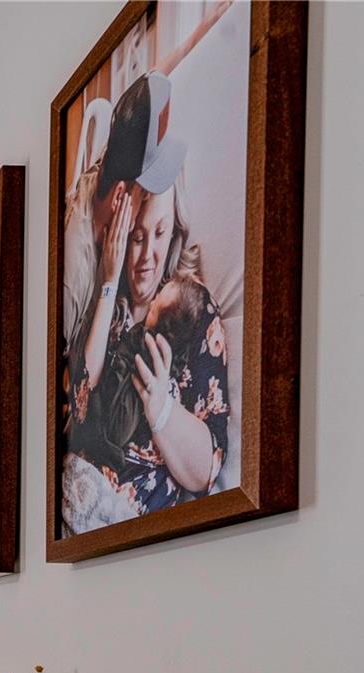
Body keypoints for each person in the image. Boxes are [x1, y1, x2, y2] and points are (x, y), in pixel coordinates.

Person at [62, 74, 229, 533]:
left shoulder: (188, 311)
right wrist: (108, 283)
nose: (147, 255)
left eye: (158, 234)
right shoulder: (105, 313)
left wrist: (161, 408)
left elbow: (207, 468)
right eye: (134, 238)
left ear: (175, 227)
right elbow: (77, 407)